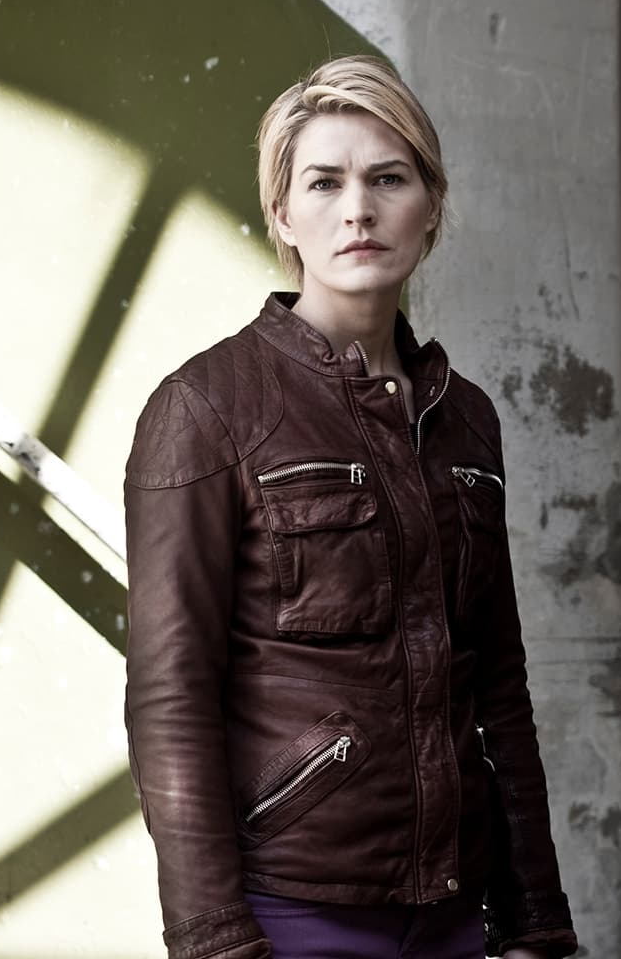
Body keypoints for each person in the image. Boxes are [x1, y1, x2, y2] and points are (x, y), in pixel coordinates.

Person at [123, 55, 576, 959]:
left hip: (458, 914)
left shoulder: (466, 419)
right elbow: (170, 697)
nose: (358, 210)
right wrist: (215, 941)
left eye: (388, 179)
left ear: (431, 205)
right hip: (291, 912)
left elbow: (498, 684)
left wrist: (536, 918)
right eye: (324, 183)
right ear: (282, 215)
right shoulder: (206, 409)